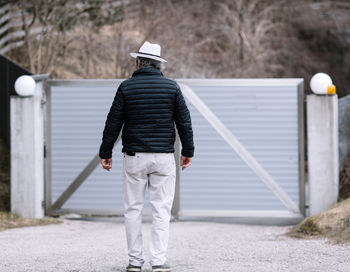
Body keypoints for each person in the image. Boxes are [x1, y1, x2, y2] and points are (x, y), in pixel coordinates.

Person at [98, 41, 194, 272]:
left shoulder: (126, 87)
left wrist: (105, 152)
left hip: (134, 157)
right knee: (162, 210)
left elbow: (113, 122)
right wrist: (188, 151)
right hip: (163, 158)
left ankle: (135, 262)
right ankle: (158, 261)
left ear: (138, 62)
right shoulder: (172, 88)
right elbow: (184, 122)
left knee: (133, 209)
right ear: (159, 64)